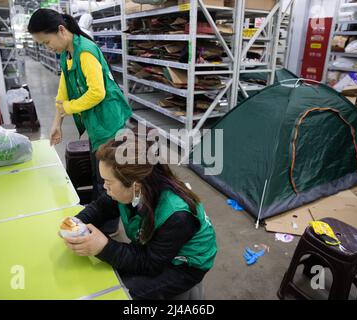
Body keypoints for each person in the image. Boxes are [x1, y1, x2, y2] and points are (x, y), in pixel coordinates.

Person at [61, 135, 217, 299]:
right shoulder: (134, 188)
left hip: (185, 266)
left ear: (135, 186)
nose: (105, 188)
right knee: (109, 270)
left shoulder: (177, 216)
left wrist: (104, 246)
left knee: (119, 292)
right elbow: (101, 207)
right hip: (156, 250)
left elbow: (151, 263)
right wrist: (76, 223)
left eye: (108, 182)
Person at [27, 9, 131, 234]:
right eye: (43, 45)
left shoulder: (85, 52)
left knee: (108, 178)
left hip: (109, 120)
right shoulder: (67, 54)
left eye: (47, 42)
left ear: (61, 30)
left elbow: (97, 93)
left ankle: (110, 226)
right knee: (99, 173)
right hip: (97, 122)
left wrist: (69, 108)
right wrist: (57, 121)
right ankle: (101, 215)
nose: (48, 47)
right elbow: (63, 89)